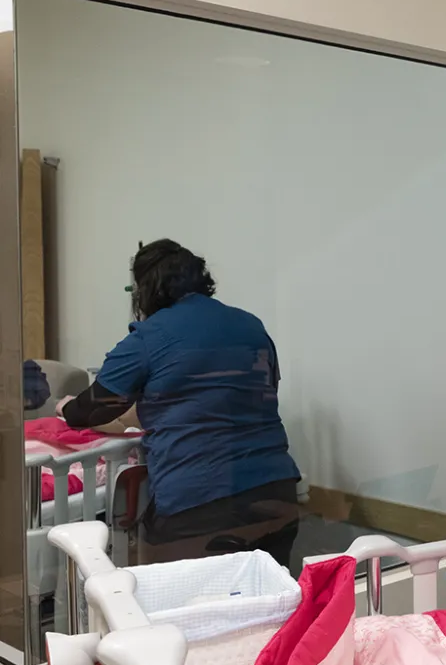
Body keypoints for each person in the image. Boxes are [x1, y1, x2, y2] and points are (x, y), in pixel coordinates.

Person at [57, 239, 302, 567]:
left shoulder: (149, 337)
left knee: (189, 609)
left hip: (200, 508)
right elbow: (262, 390)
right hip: (278, 495)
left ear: (145, 290)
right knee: (277, 607)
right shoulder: (251, 325)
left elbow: (91, 409)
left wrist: (65, 407)